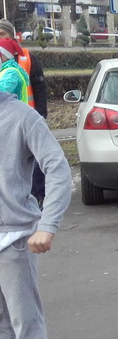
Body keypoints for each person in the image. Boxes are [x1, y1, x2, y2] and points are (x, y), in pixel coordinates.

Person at [0, 89, 72, 339]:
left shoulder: (22, 117)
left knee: (23, 320)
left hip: (14, 236)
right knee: (1, 320)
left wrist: (47, 224)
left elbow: (58, 169)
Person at [0, 20, 50, 206]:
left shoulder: (27, 58)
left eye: (2, 34)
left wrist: (41, 115)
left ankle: (39, 194)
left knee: (35, 160)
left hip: (29, 117)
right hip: (6, 121)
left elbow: (40, 87)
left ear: (11, 36)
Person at [0, 39, 30, 103]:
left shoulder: (11, 74)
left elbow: (2, 93)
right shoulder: (5, 71)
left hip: (13, 112)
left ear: (5, 56)